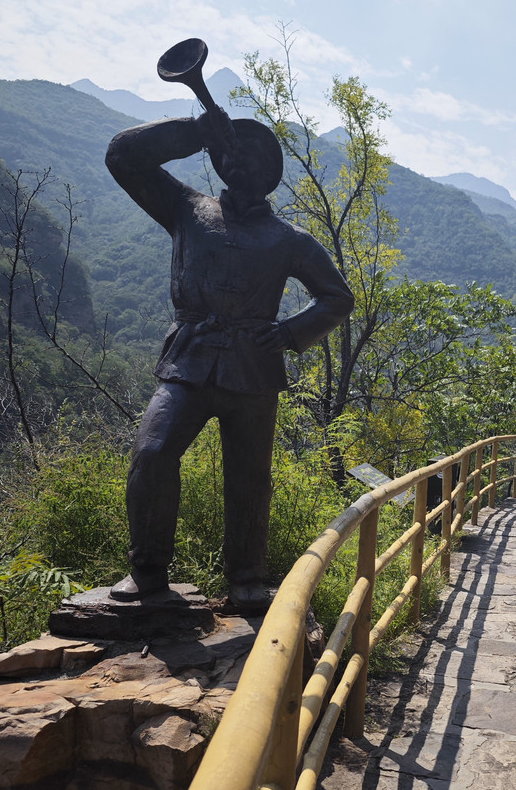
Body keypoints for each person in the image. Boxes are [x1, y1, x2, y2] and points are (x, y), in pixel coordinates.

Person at [105, 105, 354, 612]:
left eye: (254, 155)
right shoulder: (185, 207)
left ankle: (246, 578)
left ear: (270, 172)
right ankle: (147, 570)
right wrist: (195, 131)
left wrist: (288, 332)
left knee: (249, 479)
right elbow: (123, 155)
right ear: (218, 157)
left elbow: (337, 297)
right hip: (189, 361)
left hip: (254, 369)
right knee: (152, 453)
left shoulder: (289, 239)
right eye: (232, 151)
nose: (241, 161)